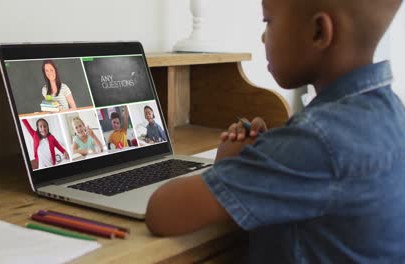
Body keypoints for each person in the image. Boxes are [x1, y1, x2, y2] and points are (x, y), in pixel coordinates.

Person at [146, 0, 405, 263]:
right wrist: (268, 156)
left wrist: (232, 165)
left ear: (318, 32)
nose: (262, 36)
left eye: (267, 22)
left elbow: (162, 213)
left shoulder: (316, 140)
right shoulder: (392, 112)